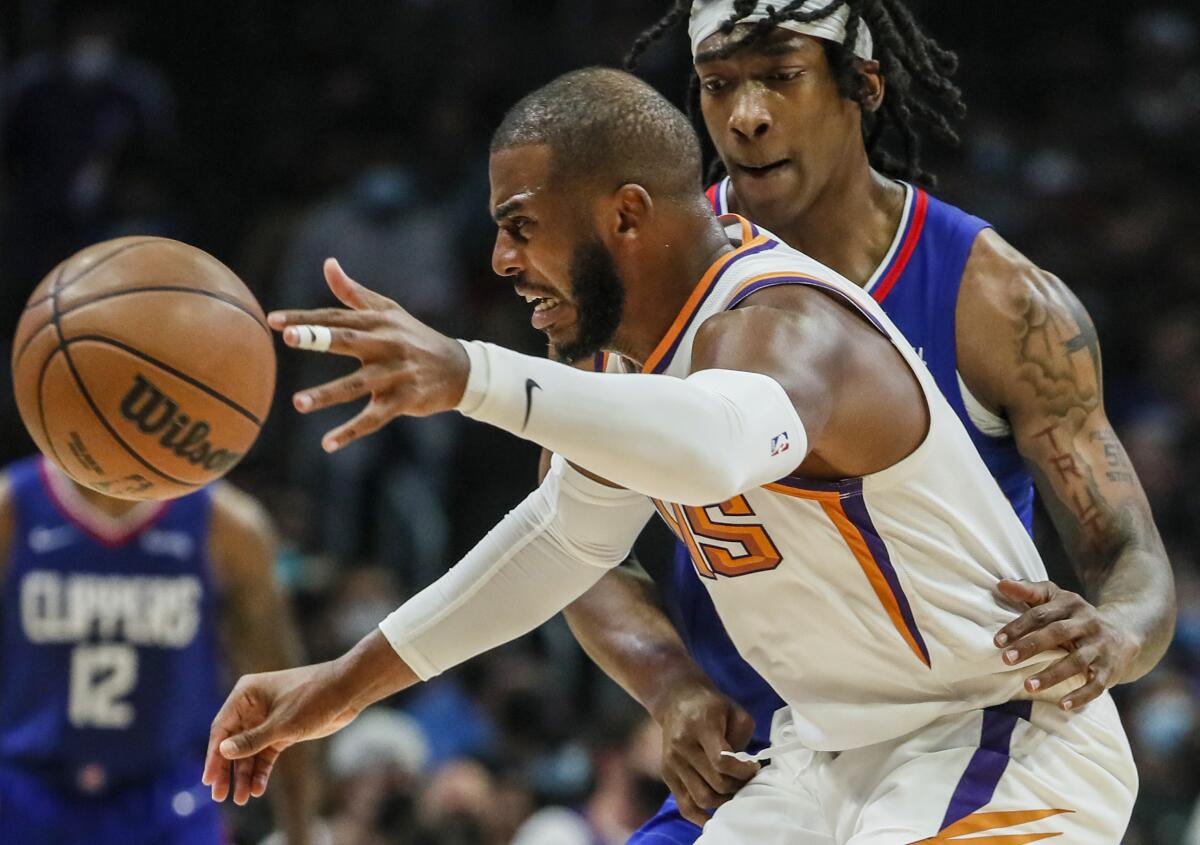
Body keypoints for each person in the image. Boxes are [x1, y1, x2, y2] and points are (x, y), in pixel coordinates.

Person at [204, 68, 1143, 843]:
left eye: (520, 224)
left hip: (995, 737)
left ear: (625, 215)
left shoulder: (780, 326)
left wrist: (471, 375)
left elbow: (712, 444)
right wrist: (335, 688)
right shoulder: (639, 359)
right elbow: (560, 544)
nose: (497, 259)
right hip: (822, 755)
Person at [551, 0, 1176, 835]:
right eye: (717, 85)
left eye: (781, 76)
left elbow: (1128, 551)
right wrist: (670, 684)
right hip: (764, 753)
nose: (747, 115)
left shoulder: (994, 300)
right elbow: (570, 542)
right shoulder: (641, 275)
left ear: (863, 85)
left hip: (957, 724)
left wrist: (1116, 634)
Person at [0, 455, 316, 844]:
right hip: (25, 791)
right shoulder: (11, 510)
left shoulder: (228, 526)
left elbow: (279, 685)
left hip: (169, 798)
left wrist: (301, 833)